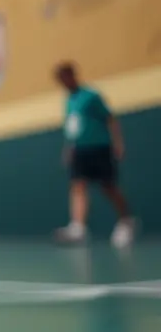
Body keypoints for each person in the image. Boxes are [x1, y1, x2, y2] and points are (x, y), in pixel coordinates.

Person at [53, 62, 136, 247]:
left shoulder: (90, 96)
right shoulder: (69, 101)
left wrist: (118, 143)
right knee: (78, 185)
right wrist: (69, 147)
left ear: (73, 75)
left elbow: (110, 118)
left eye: (65, 77)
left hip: (99, 147)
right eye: (60, 80)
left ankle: (126, 221)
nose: (63, 82)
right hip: (79, 150)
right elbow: (72, 127)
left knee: (108, 187)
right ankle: (78, 228)